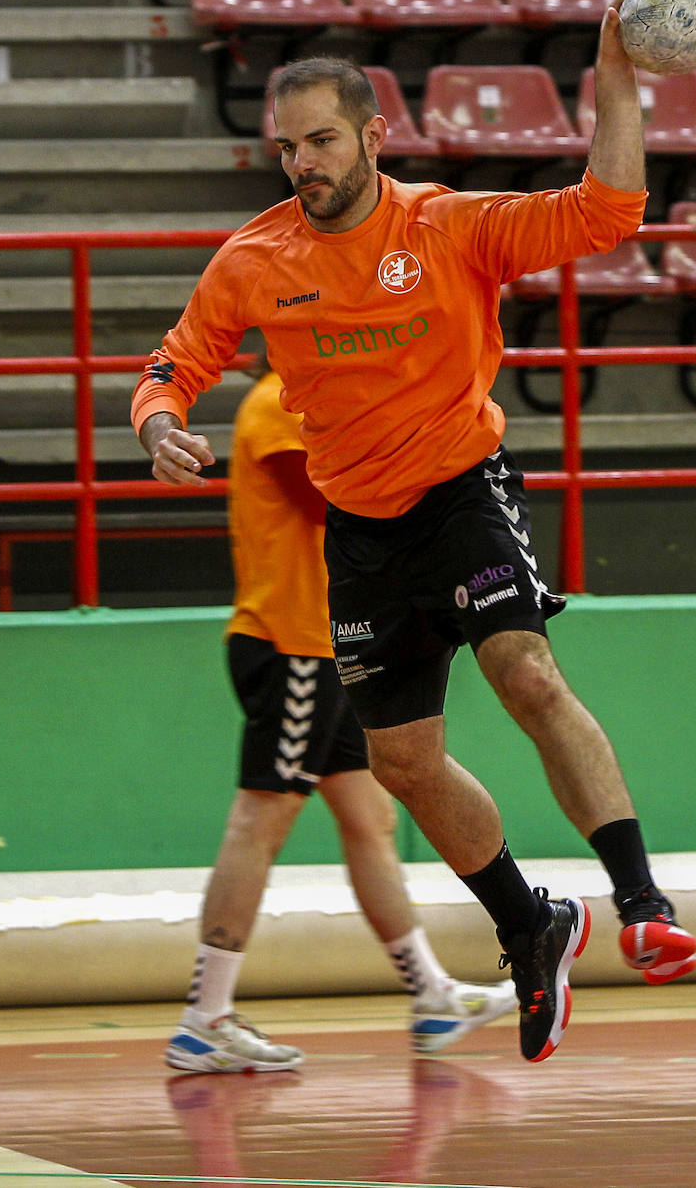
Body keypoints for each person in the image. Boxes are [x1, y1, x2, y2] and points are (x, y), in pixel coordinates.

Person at [133, 0, 696, 1067]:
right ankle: (531, 925)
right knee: (401, 764)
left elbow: (607, 211)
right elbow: (172, 362)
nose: (305, 163)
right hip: (362, 530)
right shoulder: (255, 259)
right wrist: (159, 424)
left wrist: (618, 83)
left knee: (525, 669)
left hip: (462, 489)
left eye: (325, 141)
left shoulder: (446, 225)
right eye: (290, 146)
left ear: (373, 137)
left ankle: (640, 901)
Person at [165, 363, 518, 1074]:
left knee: (369, 821)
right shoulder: (276, 406)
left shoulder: (313, 405)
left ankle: (432, 995)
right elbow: (334, 496)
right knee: (261, 814)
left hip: (323, 646)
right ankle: (206, 1016)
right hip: (291, 642)